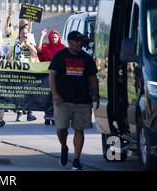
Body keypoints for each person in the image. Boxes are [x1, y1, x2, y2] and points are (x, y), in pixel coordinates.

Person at [48, 31, 99, 170]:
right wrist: (55, 94)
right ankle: (64, 146)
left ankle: (76, 159)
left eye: (80, 41)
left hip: (82, 100)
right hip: (63, 100)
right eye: (77, 41)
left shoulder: (86, 58)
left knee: (79, 129)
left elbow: (92, 77)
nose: (79, 44)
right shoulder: (60, 56)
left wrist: (95, 93)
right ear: (70, 42)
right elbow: (52, 75)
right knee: (61, 128)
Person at [9, 24, 39, 122]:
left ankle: (30, 113)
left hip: (29, 71)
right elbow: (9, 56)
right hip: (18, 71)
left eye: (26, 33)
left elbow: (35, 54)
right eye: (23, 33)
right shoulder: (15, 44)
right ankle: (19, 113)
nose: (25, 35)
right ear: (19, 34)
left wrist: (29, 45)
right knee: (19, 93)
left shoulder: (30, 43)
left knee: (30, 92)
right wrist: (9, 59)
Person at [37, 29, 66, 125]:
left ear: (58, 38)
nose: (54, 39)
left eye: (55, 37)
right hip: (47, 75)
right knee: (48, 96)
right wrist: (42, 36)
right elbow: (38, 49)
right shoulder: (46, 47)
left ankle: (56, 115)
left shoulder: (62, 48)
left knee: (58, 95)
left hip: (60, 76)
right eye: (52, 37)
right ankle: (48, 115)